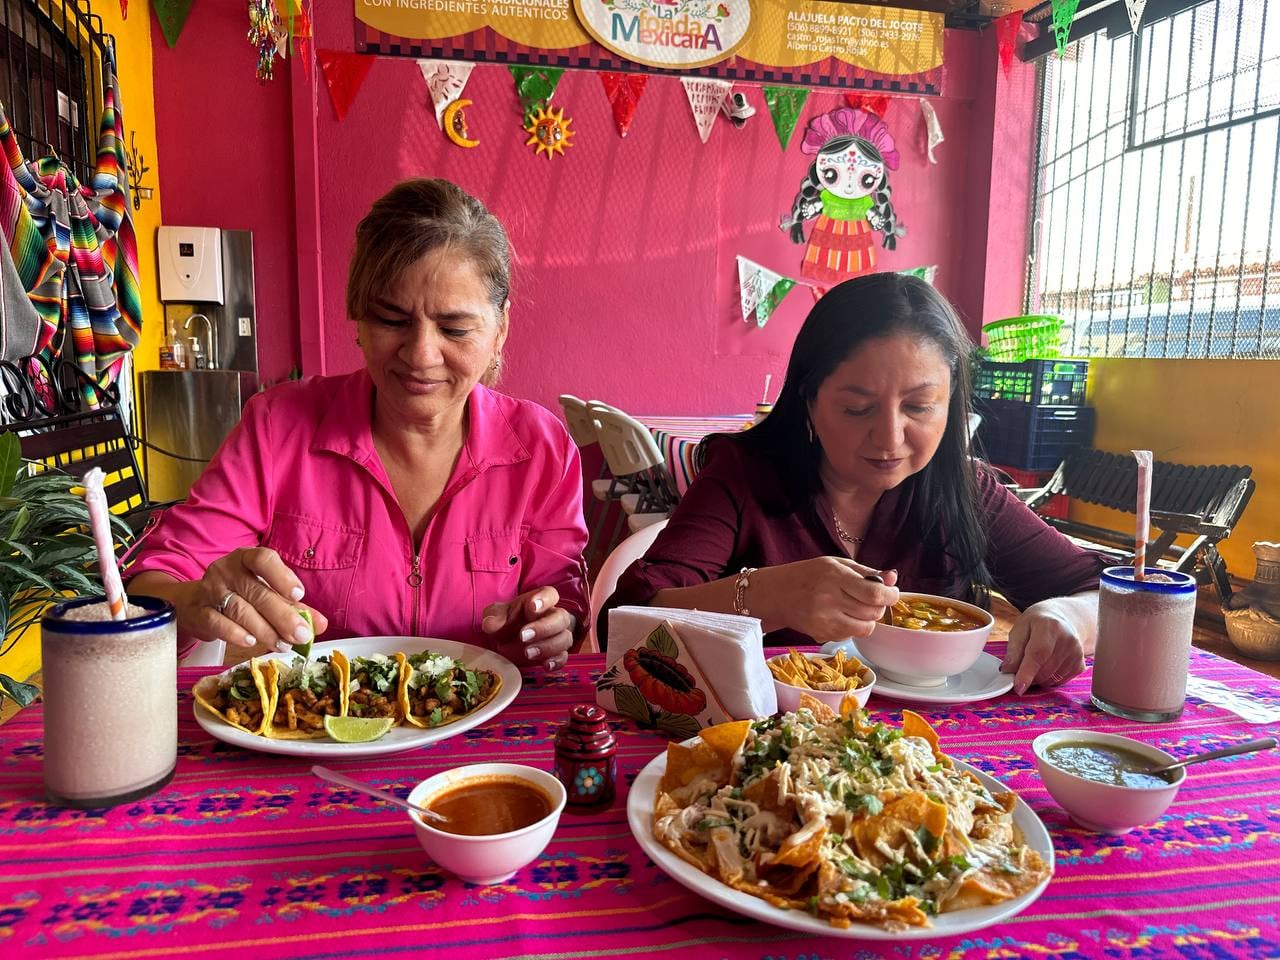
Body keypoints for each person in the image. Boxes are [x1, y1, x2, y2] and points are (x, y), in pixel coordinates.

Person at [127, 179, 587, 671]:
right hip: (316, 730)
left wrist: (551, 627)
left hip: (486, 731)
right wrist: (197, 599)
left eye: (454, 329)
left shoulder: (543, 449)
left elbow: (564, 599)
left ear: (500, 330)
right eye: (391, 320)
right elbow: (152, 582)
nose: (421, 355)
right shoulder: (277, 427)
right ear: (359, 319)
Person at [603, 273, 1106, 693]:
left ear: (951, 404)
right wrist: (768, 595)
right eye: (857, 408)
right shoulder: (743, 476)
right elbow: (621, 623)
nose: (890, 437)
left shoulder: (964, 491)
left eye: (918, 406)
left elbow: (1107, 594)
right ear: (809, 401)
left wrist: (1068, 616)